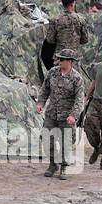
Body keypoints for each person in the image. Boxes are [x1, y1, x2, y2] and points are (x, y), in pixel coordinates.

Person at [37, 49, 85, 179]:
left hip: (67, 116)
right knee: (47, 138)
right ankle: (53, 164)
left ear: (70, 62)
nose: (59, 61)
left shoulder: (77, 78)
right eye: (59, 59)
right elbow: (44, 89)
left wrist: (73, 115)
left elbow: (79, 100)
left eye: (62, 59)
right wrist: (40, 103)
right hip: (52, 113)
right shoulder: (52, 73)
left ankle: (64, 167)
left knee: (66, 142)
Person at [44, 0, 89, 65]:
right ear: (73, 4)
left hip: (60, 55)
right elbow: (85, 40)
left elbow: (50, 40)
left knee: (59, 74)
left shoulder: (55, 20)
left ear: (63, 4)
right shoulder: (81, 19)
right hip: (75, 56)